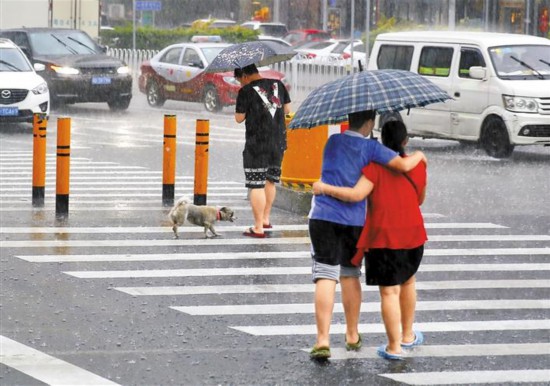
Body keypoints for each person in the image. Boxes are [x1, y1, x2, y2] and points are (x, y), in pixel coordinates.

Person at [307, 111, 427, 360]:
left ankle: (322, 339)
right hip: (353, 222)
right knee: (350, 275)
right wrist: (420, 155)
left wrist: (323, 188)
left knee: (325, 275)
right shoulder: (372, 149)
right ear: (370, 123)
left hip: (322, 216)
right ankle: (352, 335)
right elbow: (403, 166)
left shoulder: (333, 141)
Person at [234, 64, 291, 238]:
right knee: (270, 181)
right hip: (278, 141)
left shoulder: (246, 91)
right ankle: (266, 219)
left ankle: (258, 227)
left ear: (244, 76)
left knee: (256, 184)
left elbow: (239, 118)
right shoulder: (278, 85)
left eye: (239, 80)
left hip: (257, 143)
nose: (240, 84)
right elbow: (287, 110)